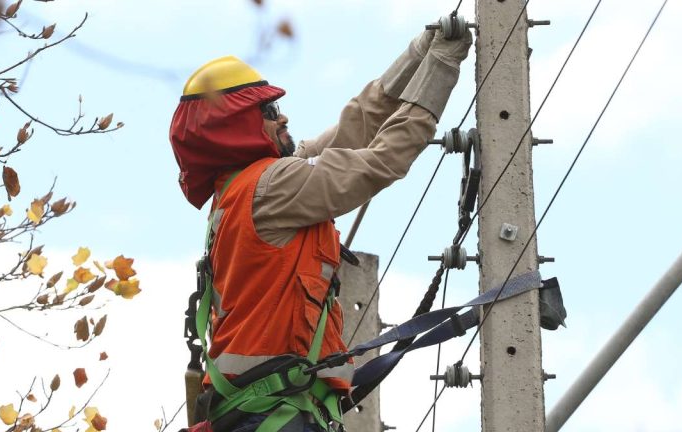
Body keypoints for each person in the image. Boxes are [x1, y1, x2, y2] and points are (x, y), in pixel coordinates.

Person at [170, 25, 472, 432]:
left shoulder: (241, 190)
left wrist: (418, 55)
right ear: (238, 124)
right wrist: (441, 66)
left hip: (262, 411)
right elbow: (382, 160)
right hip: (275, 412)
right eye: (270, 111)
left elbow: (353, 128)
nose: (284, 117)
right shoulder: (272, 187)